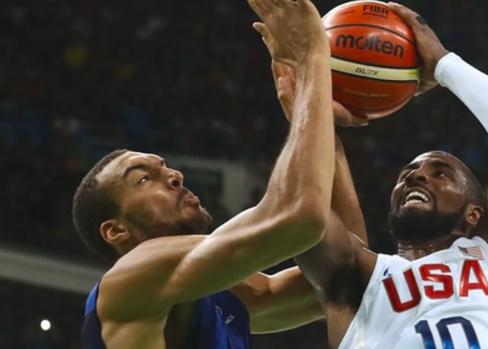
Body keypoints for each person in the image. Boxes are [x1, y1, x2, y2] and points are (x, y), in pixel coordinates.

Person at [271, 2, 488, 348]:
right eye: (408, 174)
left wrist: (444, 64)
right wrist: (309, 111)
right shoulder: (358, 279)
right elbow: (302, 213)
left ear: (473, 214)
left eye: (440, 173)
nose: (416, 178)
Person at [73, 0, 336, 348]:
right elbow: (299, 217)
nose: (175, 175)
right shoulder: (130, 279)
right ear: (116, 230)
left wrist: (316, 113)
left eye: (165, 166)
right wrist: (313, 59)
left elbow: (344, 280)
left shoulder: (229, 293)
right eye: (143, 178)